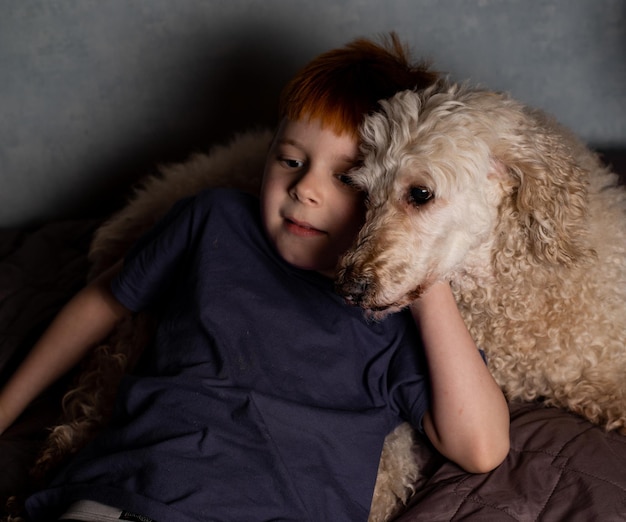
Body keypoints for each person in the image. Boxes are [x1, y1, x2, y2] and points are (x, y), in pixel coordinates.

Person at [0, 33, 509, 522]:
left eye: (346, 176)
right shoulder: (213, 221)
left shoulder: (394, 314)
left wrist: (421, 268)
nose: (304, 188)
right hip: (129, 498)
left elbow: (481, 446)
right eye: (289, 159)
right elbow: (101, 301)